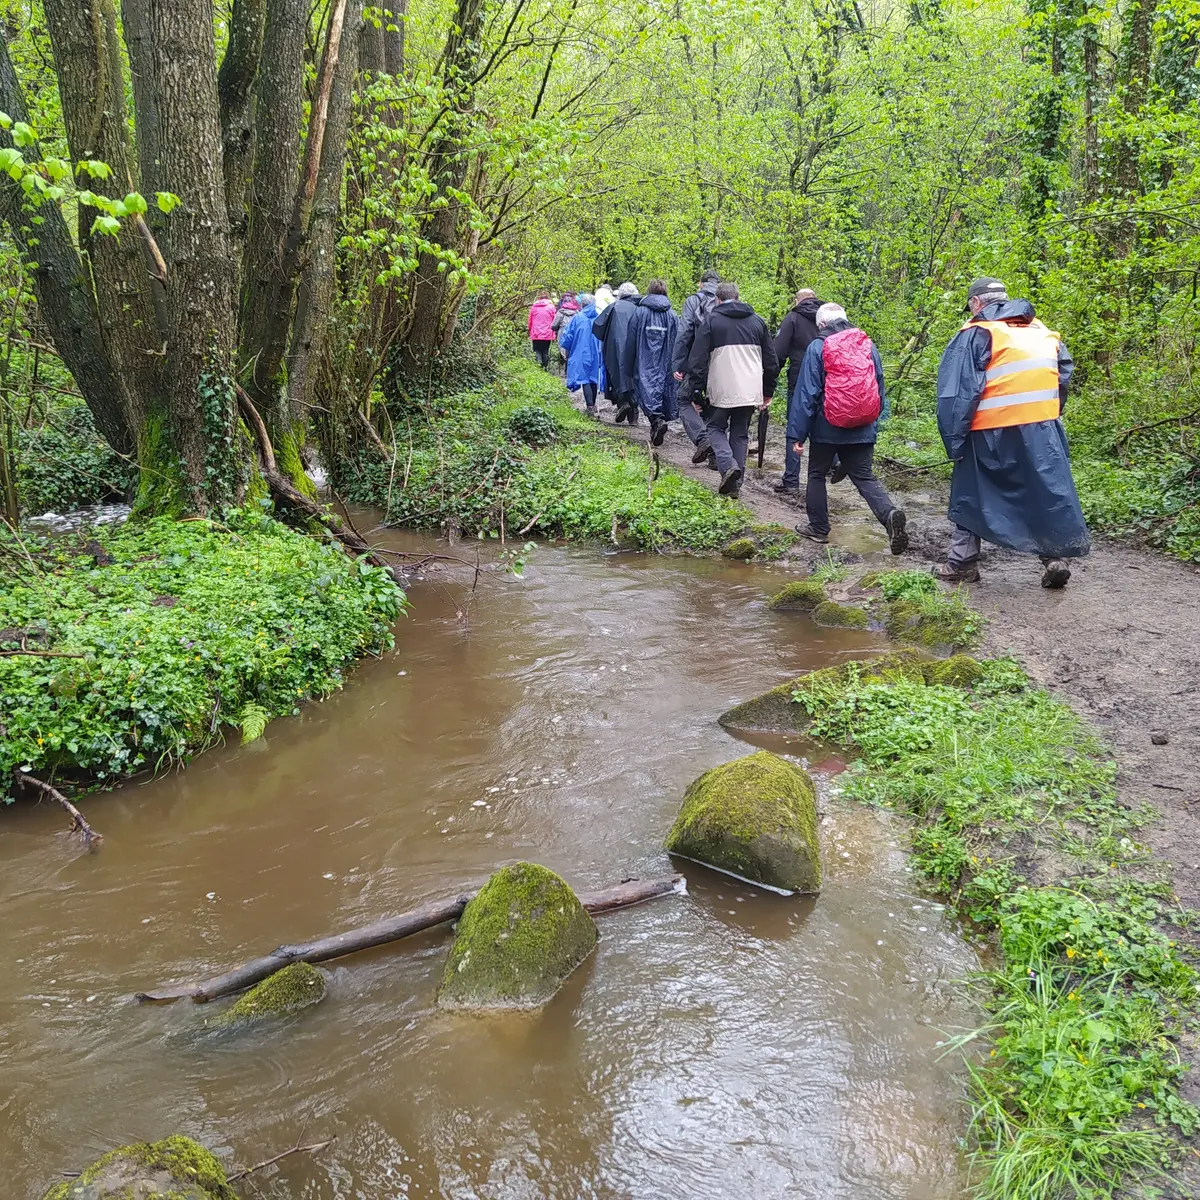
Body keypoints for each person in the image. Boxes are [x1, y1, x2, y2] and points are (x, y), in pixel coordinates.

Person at [935, 277, 1088, 587]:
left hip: (990, 430)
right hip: (1042, 428)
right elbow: (1063, 378)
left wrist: (954, 440)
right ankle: (1054, 558)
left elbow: (958, 394)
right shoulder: (1043, 332)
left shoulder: (977, 333)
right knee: (1044, 490)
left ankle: (962, 564)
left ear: (976, 304)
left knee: (972, 492)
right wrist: (1048, 416)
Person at [787, 302, 908, 554]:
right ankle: (889, 515)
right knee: (864, 476)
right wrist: (873, 423)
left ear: (821, 324)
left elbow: (807, 393)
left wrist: (797, 434)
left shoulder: (818, 347)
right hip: (862, 426)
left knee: (817, 474)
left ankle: (819, 529)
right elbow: (879, 388)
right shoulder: (867, 344)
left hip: (826, 427)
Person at [685, 281, 779, 497]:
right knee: (740, 434)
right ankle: (735, 486)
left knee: (715, 428)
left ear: (717, 299)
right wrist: (768, 391)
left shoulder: (711, 321)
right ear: (738, 297)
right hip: (750, 390)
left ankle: (728, 467)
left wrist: (696, 392)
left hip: (721, 388)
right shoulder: (757, 322)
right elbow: (771, 361)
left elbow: (697, 360)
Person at [773, 288, 824, 494]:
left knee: (795, 427)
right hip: (828, 380)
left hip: (799, 379)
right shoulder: (828, 317)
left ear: (797, 300)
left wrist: (769, 380)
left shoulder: (793, 317)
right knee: (823, 425)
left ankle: (791, 480)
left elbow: (779, 352)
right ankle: (832, 465)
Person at [672, 270, 721, 465]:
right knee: (713, 405)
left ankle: (703, 440)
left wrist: (678, 362)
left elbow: (684, 332)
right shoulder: (726, 301)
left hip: (696, 361)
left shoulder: (693, 301)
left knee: (683, 399)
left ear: (701, 283)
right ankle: (716, 457)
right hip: (720, 362)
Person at [628, 280, 678, 446]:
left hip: (644, 361)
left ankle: (656, 420)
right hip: (666, 361)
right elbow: (678, 339)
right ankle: (658, 420)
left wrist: (628, 361)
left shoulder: (640, 312)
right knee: (663, 390)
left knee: (645, 390)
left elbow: (631, 338)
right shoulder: (672, 314)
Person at [593, 281, 642, 424]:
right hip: (635, 348)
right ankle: (634, 415)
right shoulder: (639, 308)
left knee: (617, 375)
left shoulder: (614, 307)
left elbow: (598, 326)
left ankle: (623, 403)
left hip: (614, 347)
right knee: (634, 378)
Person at [558, 293, 605, 414]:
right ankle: (593, 404)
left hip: (581, 352)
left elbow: (568, 336)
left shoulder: (577, 318)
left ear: (582, 304)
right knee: (593, 378)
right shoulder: (599, 317)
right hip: (596, 352)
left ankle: (589, 406)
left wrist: (566, 348)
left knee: (585, 379)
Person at [528, 290, 557, 369]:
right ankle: (545, 365)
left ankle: (539, 363)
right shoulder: (551, 307)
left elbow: (530, 320)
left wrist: (530, 330)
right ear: (548, 297)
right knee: (545, 349)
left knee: (537, 349)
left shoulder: (534, 307)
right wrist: (554, 332)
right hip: (547, 333)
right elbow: (554, 320)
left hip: (536, 333)